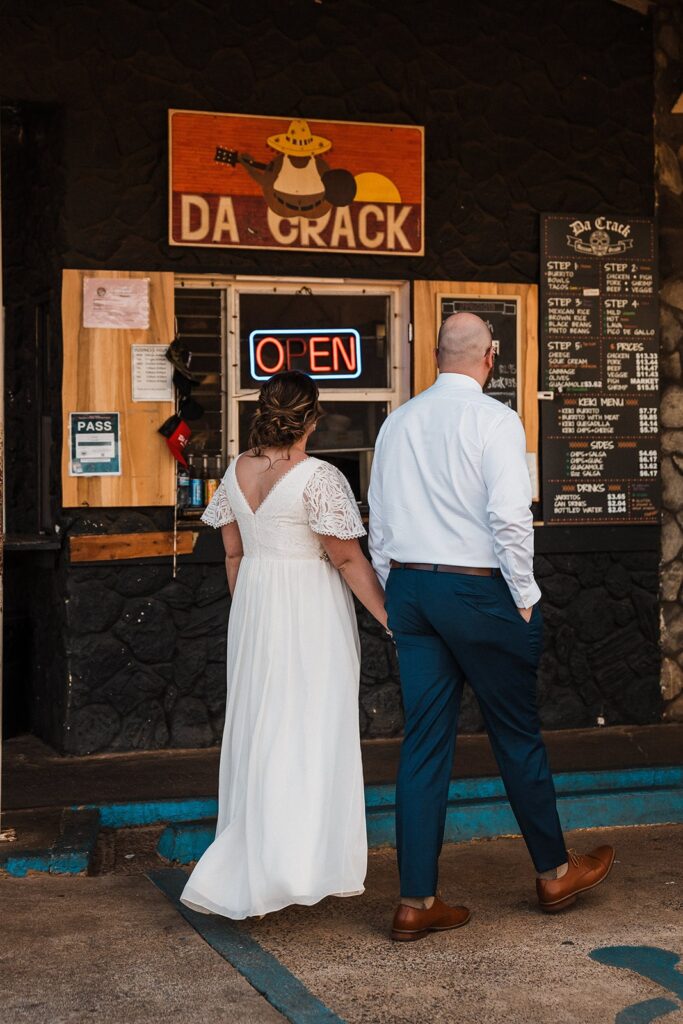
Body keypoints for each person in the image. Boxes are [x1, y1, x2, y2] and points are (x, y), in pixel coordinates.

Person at [368, 312, 614, 942]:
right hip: (478, 590)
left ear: (436, 357)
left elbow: (382, 515)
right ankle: (554, 872)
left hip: (413, 588)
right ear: (491, 356)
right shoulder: (496, 420)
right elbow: (510, 516)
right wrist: (525, 595)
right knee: (515, 734)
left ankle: (416, 901)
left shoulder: (397, 422)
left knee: (424, 742)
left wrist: (395, 589)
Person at [181, 370, 387, 920]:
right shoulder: (320, 476)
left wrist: (250, 606)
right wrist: (391, 617)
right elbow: (346, 558)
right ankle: (297, 864)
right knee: (309, 725)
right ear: (312, 418)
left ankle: (259, 856)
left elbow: (233, 553)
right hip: (308, 611)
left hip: (255, 607)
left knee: (261, 726)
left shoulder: (236, 469)